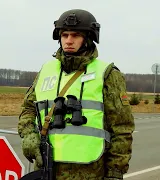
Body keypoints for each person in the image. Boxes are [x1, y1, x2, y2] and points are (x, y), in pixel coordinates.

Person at [18, 9, 135, 179]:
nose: (69, 41)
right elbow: (28, 108)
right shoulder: (46, 70)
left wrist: (115, 172)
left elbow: (122, 129)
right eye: (64, 35)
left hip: (90, 172)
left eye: (75, 35)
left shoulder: (107, 74)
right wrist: (28, 134)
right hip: (48, 168)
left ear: (87, 39)